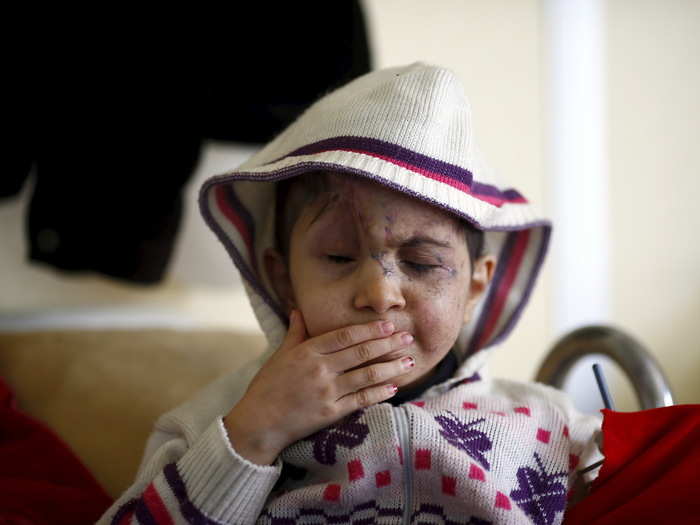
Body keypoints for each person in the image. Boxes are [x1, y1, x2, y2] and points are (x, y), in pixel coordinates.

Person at [98, 62, 602, 525]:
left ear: (474, 288)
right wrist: (255, 435)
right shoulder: (215, 423)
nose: (380, 295)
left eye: (422, 263)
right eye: (339, 257)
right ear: (282, 279)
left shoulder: (551, 424)